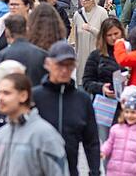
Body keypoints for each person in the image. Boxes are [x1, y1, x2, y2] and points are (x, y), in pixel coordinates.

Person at [33, 41, 100, 176]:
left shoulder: (82, 100)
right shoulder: (35, 97)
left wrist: (94, 171)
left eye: (69, 65)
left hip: (70, 170)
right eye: (60, 65)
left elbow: (91, 141)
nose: (64, 70)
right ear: (48, 64)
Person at [0, 72, 70, 176]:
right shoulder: (0, 135)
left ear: (23, 96)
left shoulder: (45, 135)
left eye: (6, 93)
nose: (0, 97)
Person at [100, 91, 136, 175]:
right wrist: (103, 151)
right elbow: (109, 143)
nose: (129, 115)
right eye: (127, 112)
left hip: (132, 172)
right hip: (114, 171)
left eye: (133, 112)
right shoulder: (116, 129)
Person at [69, 0, 108, 83]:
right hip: (81, 58)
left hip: (97, 56)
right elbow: (73, 38)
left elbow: (106, 35)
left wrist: (91, 29)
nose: (83, 0)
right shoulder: (77, 15)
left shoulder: (102, 13)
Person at [82, 18, 124, 103]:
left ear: (122, 32)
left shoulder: (130, 51)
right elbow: (87, 82)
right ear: (104, 36)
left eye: (116, 33)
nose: (114, 38)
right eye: (109, 35)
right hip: (104, 103)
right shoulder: (96, 55)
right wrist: (101, 88)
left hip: (127, 105)